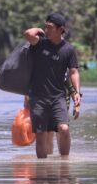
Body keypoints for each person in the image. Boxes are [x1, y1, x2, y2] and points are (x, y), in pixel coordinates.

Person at [24, 12, 81, 159]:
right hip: (37, 97)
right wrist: (41, 30)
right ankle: (42, 173)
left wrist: (77, 94)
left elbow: (73, 72)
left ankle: (65, 165)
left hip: (58, 97)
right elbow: (28, 34)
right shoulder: (40, 44)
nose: (47, 30)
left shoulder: (68, 50)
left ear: (60, 29)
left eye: (50, 27)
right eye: (45, 27)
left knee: (64, 128)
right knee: (41, 134)